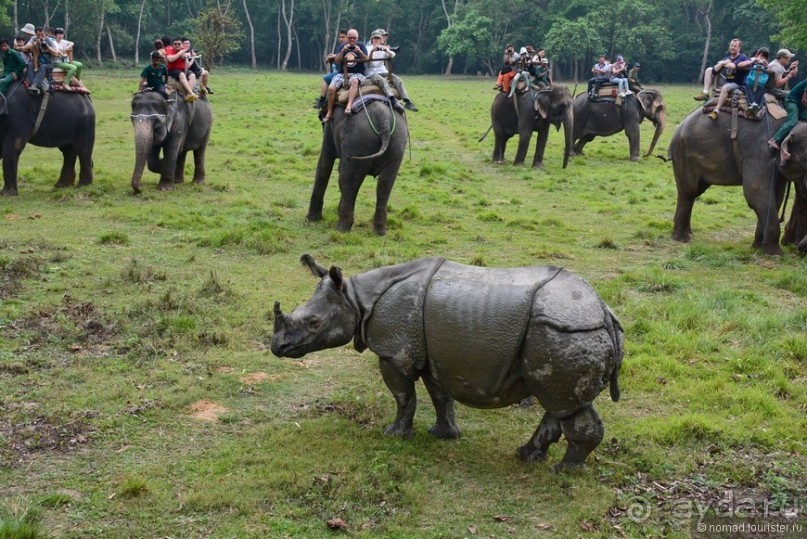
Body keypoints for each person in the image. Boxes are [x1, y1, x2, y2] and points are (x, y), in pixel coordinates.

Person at [363, 29, 417, 112]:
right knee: (381, 80)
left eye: (378, 39)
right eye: (375, 38)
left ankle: (407, 101)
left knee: (397, 79)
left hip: (382, 70)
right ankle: (392, 98)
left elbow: (392, 55)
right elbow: (367, 61)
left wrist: (386, 50)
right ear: (372, 39)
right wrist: (373, 51)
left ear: (381, 40)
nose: (376, 40)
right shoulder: (367, 49)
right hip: (371, 72)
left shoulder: (383, 48)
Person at [323, 28, 368, 123]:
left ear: (357, 38)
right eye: (350, 37)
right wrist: (343, 50)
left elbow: (366, 59)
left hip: (357, 73)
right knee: (331, 88)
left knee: (355, 81)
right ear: (347, 37)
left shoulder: (361, 46)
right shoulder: (343, 46)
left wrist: (359, 51)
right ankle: (329, 111)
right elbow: (338, 60)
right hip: (342, 73)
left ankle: (349, 106)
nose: (352, 39)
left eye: (354, 38)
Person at [704, 39, 753, 120]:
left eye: (735, 46)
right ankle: (705, 92)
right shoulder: (727, 58)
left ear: (739, 48)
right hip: (727, 80)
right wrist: (723, 63)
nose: (732, 47)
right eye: (731, 46)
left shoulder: (742, 57)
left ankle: (716, 110)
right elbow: (715, 70)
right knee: (709, 69)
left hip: (737, 83)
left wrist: (723, 63)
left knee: (725, 88)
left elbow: (733, 66)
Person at [768, 78, 807, 158]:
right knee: (792, 120)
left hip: (801, 104)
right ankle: (774, 140)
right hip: (792, 101)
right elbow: (804, 99)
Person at [314, 30, 348, 109]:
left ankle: (322, 100)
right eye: (340, 37)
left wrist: (333, 56)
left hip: (343, 72)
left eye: (343, 37)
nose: (341, 39)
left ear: (347, 37)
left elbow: (342, 56)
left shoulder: (345, 46)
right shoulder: (342, 46)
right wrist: (333, 55)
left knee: (325, 79)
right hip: (340, 69)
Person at [164, 36, 196, 102]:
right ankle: (191, 93)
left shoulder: (185, 51)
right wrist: (181, 53)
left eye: (179, 44)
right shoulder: (170, 50)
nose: (177, 45)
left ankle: (188, 95)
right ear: (172, 45)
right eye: (175, 44)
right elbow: (170, 59)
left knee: (193, 75)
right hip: (172, 70)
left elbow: (188, 65)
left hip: (183, 69)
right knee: (182, 75)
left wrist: (192, 57)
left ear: (181, 44)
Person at [744, 48, 770, 113]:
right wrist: (756, 60)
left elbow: (770, 69)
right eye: (761, 56)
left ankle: (756, 104)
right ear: (757, 55)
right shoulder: (752, 60)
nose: (762, 58)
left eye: (764, 57)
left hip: (760, 84)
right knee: (746, 87)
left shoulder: (766, 65)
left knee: (762, 89)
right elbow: (749, 61)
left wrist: (766, 65)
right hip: (749, 83)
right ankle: (752, 103)